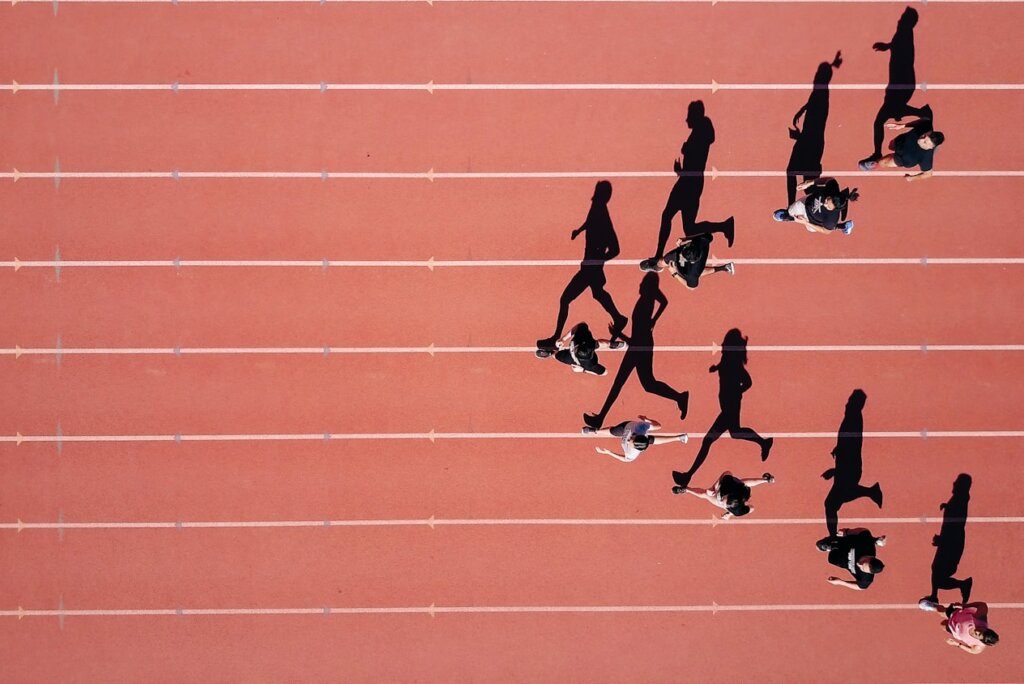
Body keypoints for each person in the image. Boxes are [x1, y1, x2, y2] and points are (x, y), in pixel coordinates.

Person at [583, 273, 689, 430]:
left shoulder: (645, 303)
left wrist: (618, 334)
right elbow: (664, 302)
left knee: (623, 384)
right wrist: (654, 320)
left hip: (640, 347)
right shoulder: (648, 300)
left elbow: (636, 341)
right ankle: (679, 397)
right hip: (641, 345)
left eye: (642, 284)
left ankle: (600, 419)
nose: (639, 286)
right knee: (647, 384)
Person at [671, 329, 773, 490]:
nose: (723, 345)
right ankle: (764, 442)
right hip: (728, 405)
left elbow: (748, 382)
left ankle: (687, 476)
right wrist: (717, 368)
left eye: (725, 343)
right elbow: (727, 370)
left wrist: (736, 392)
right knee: (735, 433)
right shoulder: (727, 360)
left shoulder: (734, 364)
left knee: (708, 440)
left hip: (730, 407)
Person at [640, 101, 735, 272]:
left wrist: (682, 168)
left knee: (668, 215)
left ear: (696, 116)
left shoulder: (700, 132)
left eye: (689, 115)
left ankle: (658, 258)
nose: (686, 120)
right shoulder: (701, 132)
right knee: (687, 226)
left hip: (689, 183)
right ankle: (724, 226)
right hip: (691, 181)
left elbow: (696, 157)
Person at [537, 181, 628, 354]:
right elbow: (591, 221)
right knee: (598, 293)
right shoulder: (597, 209)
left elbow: (615, 249)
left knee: (565, 299)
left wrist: (598, 261)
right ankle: (618, 317)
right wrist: (580, 230)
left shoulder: (602, 214)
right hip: (591, 267)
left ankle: (556, 339)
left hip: (590, 269)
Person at [859, 8, 933, 166]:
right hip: (901, 84)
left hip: (901, 84)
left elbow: (906, 55)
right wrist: (888, 46)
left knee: (881, 119)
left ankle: (877, 152)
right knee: (891, 112)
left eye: (902, 18)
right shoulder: (904, 34)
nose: (899, 20)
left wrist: (891, 49)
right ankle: (921, 113)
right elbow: (901, 48)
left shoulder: (905, 34)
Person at [823, 390, 883, 538]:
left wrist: (834, 471)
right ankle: (871, 492)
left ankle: (833, 538)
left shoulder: (853, 419)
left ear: (856, 404)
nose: (846, 403)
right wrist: (838, 449)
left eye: (850, 401)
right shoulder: (852, 418)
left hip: (849, 469)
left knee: (831, 504)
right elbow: (847, 443)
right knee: (837, 500)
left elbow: (851, 446)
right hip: (848, 467)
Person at [786, 52, 842, 206]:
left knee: (802, 180)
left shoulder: (822, 95)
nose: (815, 76)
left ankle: (837, 198)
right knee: (805, 182)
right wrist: (802, 110)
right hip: (810, 141)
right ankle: (791, 206)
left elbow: (815, 126)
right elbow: (812, 104)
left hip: (811, 143)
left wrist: (799, 137)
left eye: (818, 73)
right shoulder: (819, 92)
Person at [920, 474, 974, 606]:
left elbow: (955, 524)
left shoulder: (960, 498)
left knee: (939, 574)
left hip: (952, 542)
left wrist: (943, 541)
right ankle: (934, 595)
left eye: (956, 482)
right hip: (950, 540)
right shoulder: (959, 497)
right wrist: (947, 506)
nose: (954, 483)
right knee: (936, 569)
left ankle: (963, 584)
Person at [859, 116, 944, 182]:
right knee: (891, 146)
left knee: (883, 162)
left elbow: (928, 174)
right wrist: (903, 126)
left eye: (925, 142)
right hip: (901, 141)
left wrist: (911, 179)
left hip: (903, 159)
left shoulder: (926, 157)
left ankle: (874, 164)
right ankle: (883, 154)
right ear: (929, 132)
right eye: (924, 136)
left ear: (931, 147)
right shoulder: (926, 126)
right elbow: (922, 122)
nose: (921, 139)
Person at [672, 471, 774, 519]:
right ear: (729, 495)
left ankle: (687, 490)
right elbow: (727, 472)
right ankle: (766, 480)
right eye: (724, 499)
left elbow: (752, 509)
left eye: (725, 504)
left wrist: (730, 514)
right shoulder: (728, 484)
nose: (723, 503)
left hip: (739, 493)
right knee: (743, 482)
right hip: (733, 486)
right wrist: (714, 487)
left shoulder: (738, 511)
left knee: (706, 495)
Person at [586, 415, 688, 463]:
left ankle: (679, 438)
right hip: (626, 426)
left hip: (641, 440)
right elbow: (658, 426)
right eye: (633, 437)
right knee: (612, 431)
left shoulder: (632, 453)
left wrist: (609, 453)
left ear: (634, 447)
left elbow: (625, 460)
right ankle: (595, 431)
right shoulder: (640, 428)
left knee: (652, 440)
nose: (630, 438)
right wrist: (648, 420)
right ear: (640, 436)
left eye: (631, 440)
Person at [773, 177, 857, 235]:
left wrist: (805, 222)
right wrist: (809, 183)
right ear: (832, 195)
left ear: (835, 209)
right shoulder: (833, 188)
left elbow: (826, 231)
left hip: (812, 221)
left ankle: (841, 226)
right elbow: (829, 180)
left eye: (828, 206)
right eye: (827, 200)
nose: (824, 204)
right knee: (791, 211)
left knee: (812, 229)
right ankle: (788, 215)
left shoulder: (832, 218)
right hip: (805, 203)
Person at [648, 234, 734, 289]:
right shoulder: (702, 241)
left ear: (688, 261)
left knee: (691, 275)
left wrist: (674, 273)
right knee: (663, 261)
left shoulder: (692, 274)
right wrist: (685, 239)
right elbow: (707, 235)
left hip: (687, 270)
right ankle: (725, 267)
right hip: (695, 266)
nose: (681, 254)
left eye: (682, 255)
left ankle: (657, 266)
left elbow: (691, 287)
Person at [539, 322, 623, 375]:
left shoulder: (589, 365)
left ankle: (550, 353)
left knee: (557, 356)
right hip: (586, 349)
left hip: (572, 360)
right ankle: (613, 344)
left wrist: (582, 370)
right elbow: (581, 325)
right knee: (600, 343)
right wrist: (562, 339)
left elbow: (604, 373)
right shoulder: (584, 339)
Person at [917, 601, 999, 654]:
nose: (977, 632)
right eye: (981, 630)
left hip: (955, 629)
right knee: (941, 610)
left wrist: (956, 644)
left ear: (981, 640)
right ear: (986, 629)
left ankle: (943, 616)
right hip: (957, 615)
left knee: (942, 625)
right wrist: (964, 606)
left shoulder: (978, 646)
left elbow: (972, 650)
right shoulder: (979, 618)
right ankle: (933, 606)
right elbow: (982, 605)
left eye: (978, 635)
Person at [818, 527, 886, 590]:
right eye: (863, 562)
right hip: (847, 543)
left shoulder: (866, 578)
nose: (859, 564)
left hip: (842, 561)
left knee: (831, 559)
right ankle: (832, 545)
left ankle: (876, 540)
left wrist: (841, 582)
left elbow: (861, 587)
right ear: (870, 557)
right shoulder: (866, 545)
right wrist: (847, 532)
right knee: (820, 545)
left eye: (862, 568)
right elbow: (864, 531)